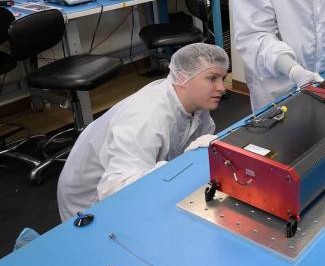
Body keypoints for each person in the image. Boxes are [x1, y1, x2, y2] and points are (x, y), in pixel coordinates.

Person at [57, 43, 228, 221]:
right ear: (183, 77)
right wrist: (172, 172)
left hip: (137, 174)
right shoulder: (147, 116)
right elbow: (114, 189)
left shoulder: (197, 103)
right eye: (212, 78)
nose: (222, 87)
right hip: (90, 200)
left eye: (222, 78)